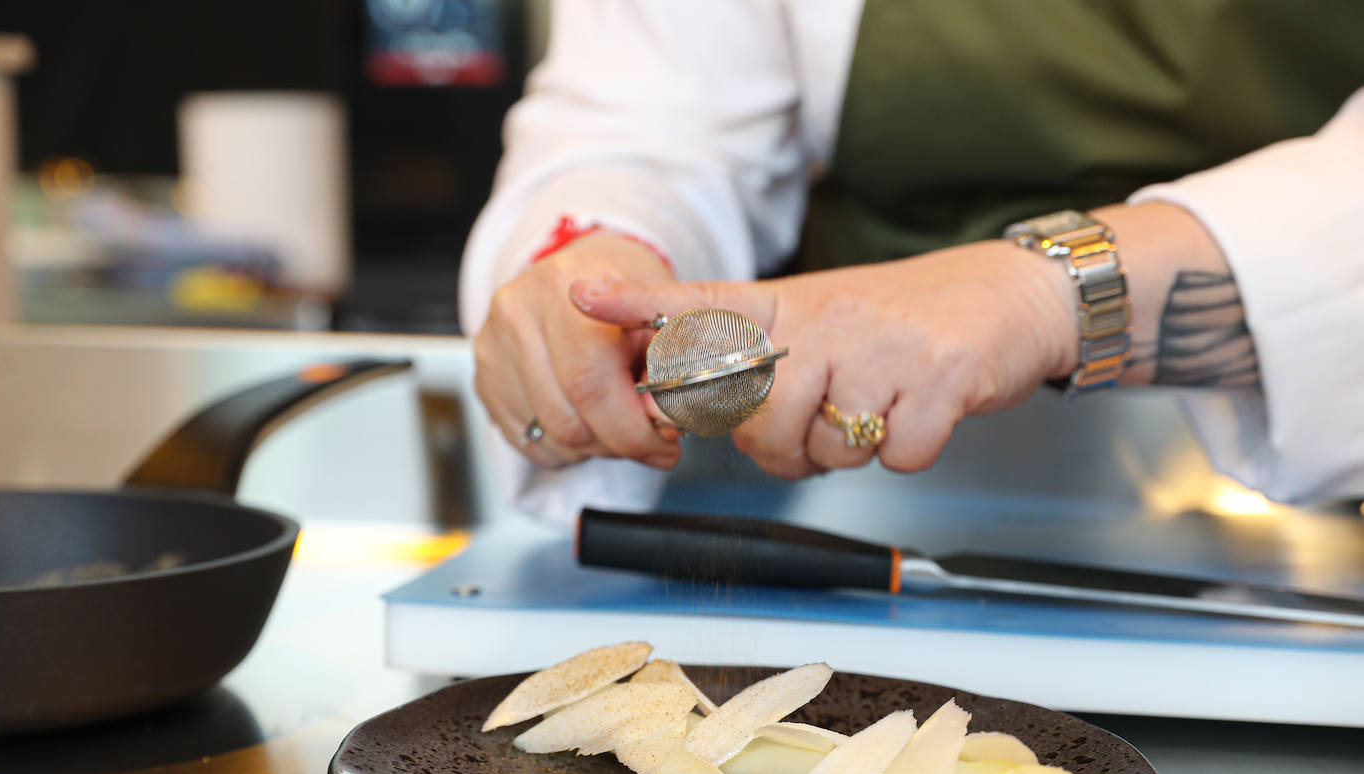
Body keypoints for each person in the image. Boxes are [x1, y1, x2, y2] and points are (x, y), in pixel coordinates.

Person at [461, 0, 1364, 525]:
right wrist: (606, 254)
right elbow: (651, 112)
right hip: (852, 527)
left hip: (1317, 554)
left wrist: (1042, 292)